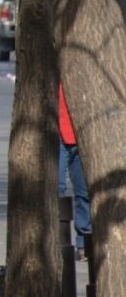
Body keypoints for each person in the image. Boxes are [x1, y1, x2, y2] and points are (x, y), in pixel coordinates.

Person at [58, 84, 91, 261]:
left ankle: (84, 242)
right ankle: (57, 241)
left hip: (79, 130)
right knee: (56, 188)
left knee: (83, 191)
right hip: (55, 132)